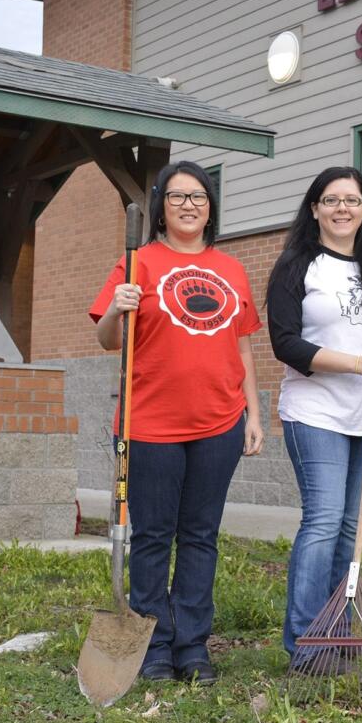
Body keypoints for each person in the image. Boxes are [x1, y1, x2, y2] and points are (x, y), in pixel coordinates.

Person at [88, 160, 264, 685]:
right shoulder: (137, 262)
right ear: (161, 207)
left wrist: (254, 411)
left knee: (200, 536)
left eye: (199, 196)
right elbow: (107, 341)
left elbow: (242, 343)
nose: (189, 205)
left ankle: (192, 645)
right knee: (152, 537)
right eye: (178, 196)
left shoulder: (231, 269)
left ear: (211, 208)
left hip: (219, 422)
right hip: (150, 423)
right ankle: (153, 644)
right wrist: (118, 309)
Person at [266, 166, 362, 669]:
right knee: (324, 521)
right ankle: (306, 643)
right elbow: (285, 344)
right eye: (330, 200)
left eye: (352, 200)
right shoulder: (296, 267)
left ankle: (338, 631)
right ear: (314, 209)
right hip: (317, 412)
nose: (342, 209)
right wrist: (356, 364)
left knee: (351, 527)